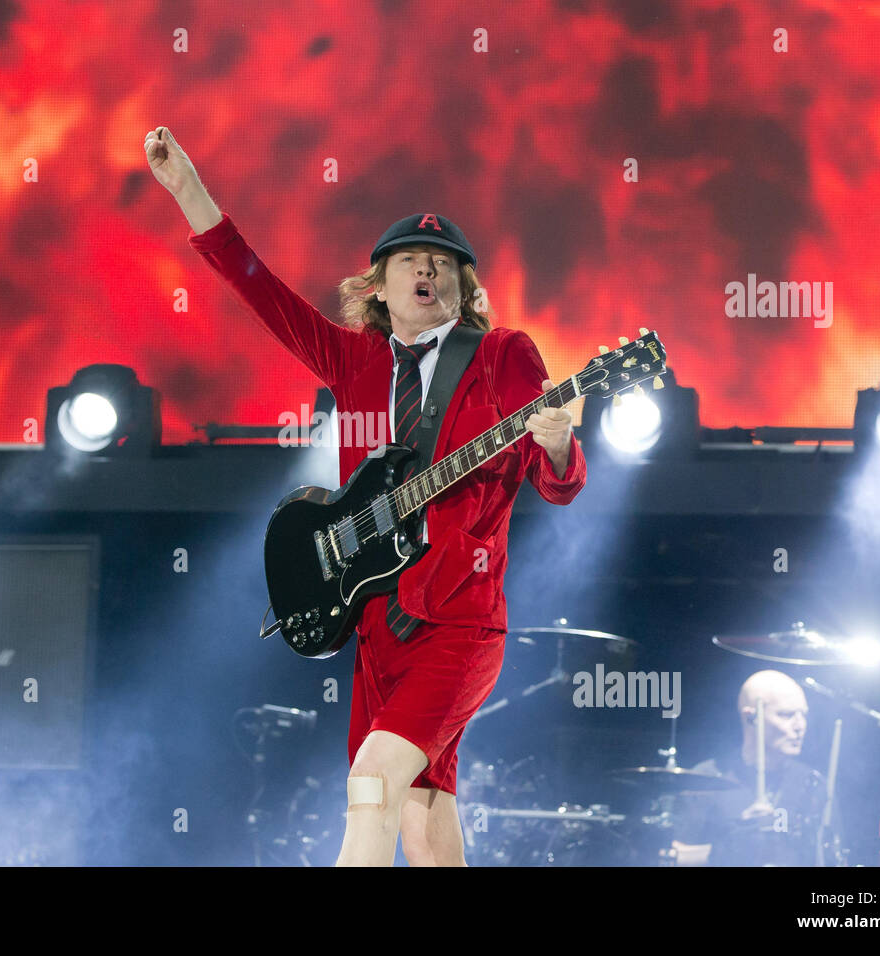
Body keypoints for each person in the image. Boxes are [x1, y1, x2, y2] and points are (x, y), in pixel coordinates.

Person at [146, 126, 586, 865]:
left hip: (458, 618)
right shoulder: (355, 361)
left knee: (372, 782)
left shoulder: (501, 355)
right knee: (422, 814)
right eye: (411, 260)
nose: (428, 269)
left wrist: (559, 443)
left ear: (464, 289)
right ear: (379, 286)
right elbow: (262, 292)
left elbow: (556, 482)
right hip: (378, 624)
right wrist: (188, 189)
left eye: (444, 263)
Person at [670, 669, 842, 866]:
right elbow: (673, 856)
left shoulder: (812, 783)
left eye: (803, 714)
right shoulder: (706, 779)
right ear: (750, 718)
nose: (800, 726)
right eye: (786, 715)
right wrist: (728, 845)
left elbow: (833, 855)